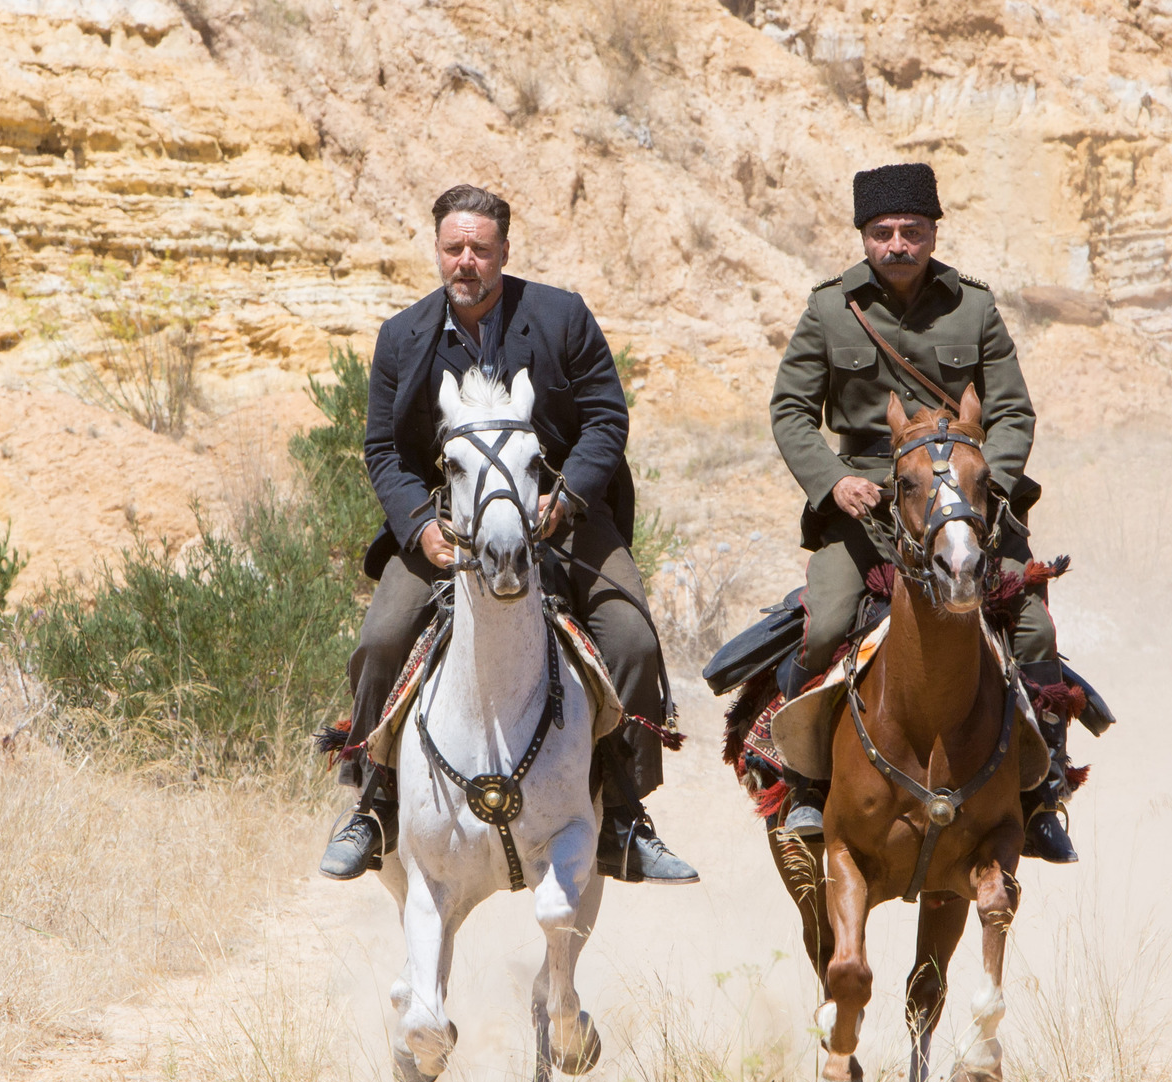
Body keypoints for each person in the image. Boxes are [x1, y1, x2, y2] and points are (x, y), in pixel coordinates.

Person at [319, 184, 699, 885]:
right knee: (379, 641)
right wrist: (419, 525)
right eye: (454, 248)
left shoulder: (561, 317)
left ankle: (622, 814)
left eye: (481, 249)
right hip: (449, 528)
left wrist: (567, 498)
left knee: (633, 640)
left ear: (504, 252)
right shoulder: (402, 336)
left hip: (563, 520)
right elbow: (383, 450)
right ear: (437, 249)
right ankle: (375, 807)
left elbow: (605, 420)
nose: (467, 261)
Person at [767, 162, 1084, 863]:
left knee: (1030, 624)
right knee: (824, 619)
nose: (898, 244)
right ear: (864, 237)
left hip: (965, 509)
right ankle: (803, 788)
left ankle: (1040, 795)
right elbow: (790, 410)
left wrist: (980, 489)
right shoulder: (828, 309)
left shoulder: (972, 307)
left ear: (933, 231)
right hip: (868, 509)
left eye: (912, 230)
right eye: (883, 233)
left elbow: (1010, 410)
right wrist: (832, 482)